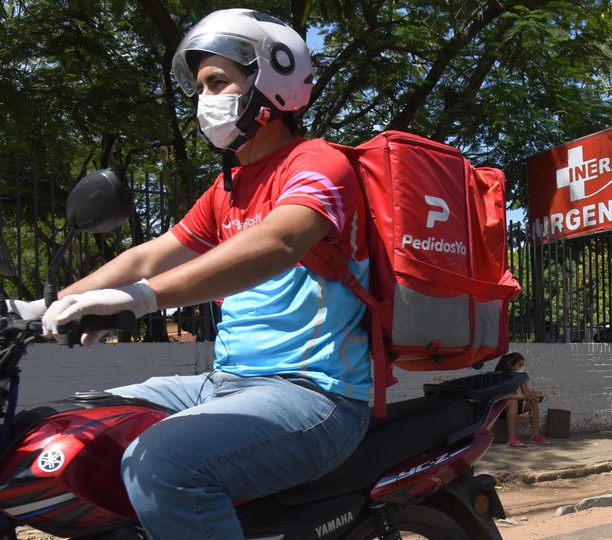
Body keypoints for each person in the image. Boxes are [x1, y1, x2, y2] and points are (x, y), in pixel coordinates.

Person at [34, 9, 372, 539]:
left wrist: (140, 300)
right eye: (199, 88)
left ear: (271, 86)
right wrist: (45, 306)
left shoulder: (318, 163)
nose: (204, 100)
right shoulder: (227, 189)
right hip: (224, 383)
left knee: (164, 464)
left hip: (314, 395)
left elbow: (280, 242)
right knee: (72, 428)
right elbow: (150, 255)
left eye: (218, 82)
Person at [495, 352, 551, 447]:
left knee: (531, 401)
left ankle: (536, 436)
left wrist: (534, 395)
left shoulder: (520, 376)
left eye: (523, 365)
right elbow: (503, 396)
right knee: (513, 402)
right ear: (510, 365)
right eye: (519, 365)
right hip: (499, 408)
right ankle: (512, 439)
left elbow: (526, 393)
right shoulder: (500, 375)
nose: (522, 368)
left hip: (513, 407)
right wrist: (524, 396)